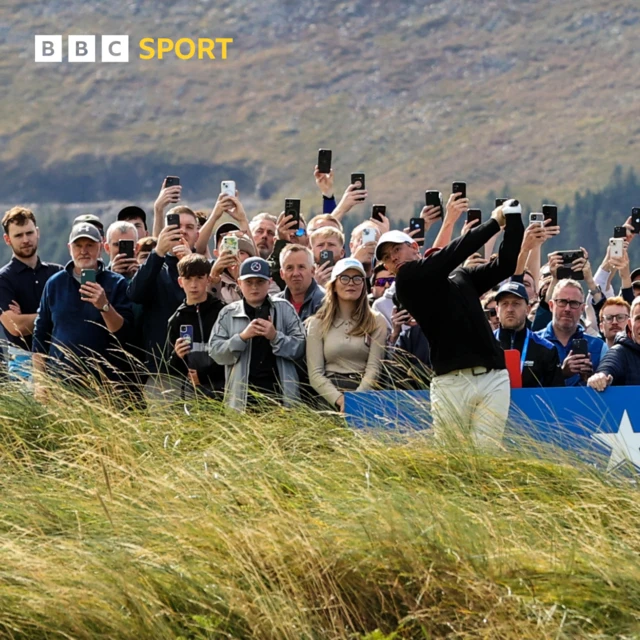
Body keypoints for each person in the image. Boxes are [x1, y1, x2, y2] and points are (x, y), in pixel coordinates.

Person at [376, 200, 524, 450]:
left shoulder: (461, 277)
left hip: (492, 377)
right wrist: (495, 223)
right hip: (451, 383)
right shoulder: (407, 282)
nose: (393, 259)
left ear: (414, 247)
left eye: (396, 251)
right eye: (388, 259)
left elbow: (505, 266)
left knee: (486, 456)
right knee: (453, 460)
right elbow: (453, 253)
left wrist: (513, 221)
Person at [32, 223, 133, 396]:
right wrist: (40, 383)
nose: (83, 251)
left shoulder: (116, 283)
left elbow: (125, 334)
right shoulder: (55, 283)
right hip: (61, 383)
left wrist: (104, 306)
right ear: (69, 248)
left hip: (106, 386)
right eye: (78, 245)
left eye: (90, 245)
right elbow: (40, 335)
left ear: (100, 248)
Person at [209, 257, 306, 411]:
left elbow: (301, 348)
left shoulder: (285, 308)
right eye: (249, 282)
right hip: (242, 402)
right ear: (239, 283)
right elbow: (215, 352)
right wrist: (242, 337)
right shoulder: (228, 313)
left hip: (281, 399)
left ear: (270, 282)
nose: (254, 287)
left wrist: (275, 336)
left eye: (260, 282)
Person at [306, 258, 388, 412]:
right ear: (334, 285)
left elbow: (374, 369)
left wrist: (355, 401)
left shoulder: (377, 321)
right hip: (329, 397)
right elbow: (315, 374)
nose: (351, 283)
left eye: (357, 278)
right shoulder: (317, 323)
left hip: (365, 396)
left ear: (363, 285)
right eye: (344, 278)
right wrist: (339, 400)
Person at [127, 206, 198, 374]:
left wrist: (190, 265)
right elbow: (134, 294)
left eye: (189, 227)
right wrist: (158, 251)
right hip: (161, 370)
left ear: (197, 235)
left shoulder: (206, 268)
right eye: (176, 226)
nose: (182, 231)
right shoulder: (155, 267)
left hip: (201, 370)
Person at [0, 207, 63, 380]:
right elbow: (16, 327)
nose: (26, 240)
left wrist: (28, 318)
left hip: (61, 360)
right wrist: (57, 314)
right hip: (23, 366)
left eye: (29, 233)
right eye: (18, 235)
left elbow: (76, 317)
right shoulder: (4, 279)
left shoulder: (58, 272)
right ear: (7, 239)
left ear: (37, 233)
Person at [167, 254, 225, 399]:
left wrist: (204, 376)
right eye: (188, 278)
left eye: (199, 278)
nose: (194, 284)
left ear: (208, 279)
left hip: (224, 394)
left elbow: (232, 356)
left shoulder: (222, 312)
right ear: (180, 281)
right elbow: (171, 370)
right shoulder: (176, 319)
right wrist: (177, 356)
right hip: (191, 398)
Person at [536, 279, 608, 386]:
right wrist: (560, 373)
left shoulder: (599, 346)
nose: (567, 309)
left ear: (582, 308)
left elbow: (608, 388)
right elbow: (528, 386)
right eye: (562, 302)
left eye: (574, 303)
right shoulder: (535, 342)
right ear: (551, 306)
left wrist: (592, 379)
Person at [494, 281, 564, 387]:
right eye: (504, 304)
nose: (509, 309)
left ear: (528, 309)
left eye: (516, 304)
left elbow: (556, 394)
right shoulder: (484, 345)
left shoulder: (546, 348)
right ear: (497, 310)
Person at [588, 297, 640, 389]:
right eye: (638, 318)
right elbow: (609, 363)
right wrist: (600, 376)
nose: (614, 322)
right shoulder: (620, 351)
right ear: (630, 324)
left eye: (620, 317)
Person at [274, 244, 325, 321]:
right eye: (289, 268)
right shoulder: (274, 304)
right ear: (282, 274)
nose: (295, 273)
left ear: (312, 271)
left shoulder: (325, 301)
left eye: (301, 267)